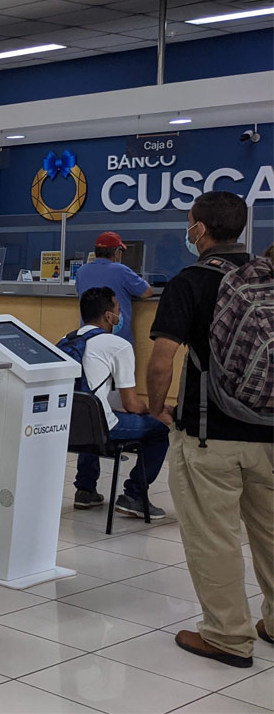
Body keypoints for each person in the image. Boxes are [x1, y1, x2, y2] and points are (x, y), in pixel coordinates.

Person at [146, 191, 273, 668]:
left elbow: (163, 361)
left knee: (214, 538)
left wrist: (159, 409)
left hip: (209, 435)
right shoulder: (268, 274)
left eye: (189, 222)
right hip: (270, 432)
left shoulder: (192, 281)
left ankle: (226, 637)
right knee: (272, 533)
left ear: (198, 229)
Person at [63, 287, 169, 518]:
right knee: (160, 429)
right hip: (103, 429)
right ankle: (135, 494)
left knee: (92, 418)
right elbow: (132, 404)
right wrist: (155, 411)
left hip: (68, 428)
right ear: (108, 316)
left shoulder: (66, 340)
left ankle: (85, 490)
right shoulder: (117, 345)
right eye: (118, 310)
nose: (120, 316)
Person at [74, 231, 152, 343]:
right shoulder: (121, 271)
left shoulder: (81, 272)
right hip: (117, 339)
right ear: (116, 252)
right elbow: (147, 292)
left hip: (88, 338)